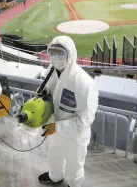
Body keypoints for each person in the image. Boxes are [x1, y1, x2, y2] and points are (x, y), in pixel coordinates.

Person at [38, 36, 99, 187]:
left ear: (70, 54)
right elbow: (46, 93)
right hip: (54, 125)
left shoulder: (84, 83)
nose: (56, 57)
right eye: (52, 52)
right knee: (54, 155)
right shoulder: (50, 72)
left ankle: (74, 184)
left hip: (75, 136)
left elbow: (84, 120)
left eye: (60, 53)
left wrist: (57, 127)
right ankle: (55, 176)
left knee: (74, 165)